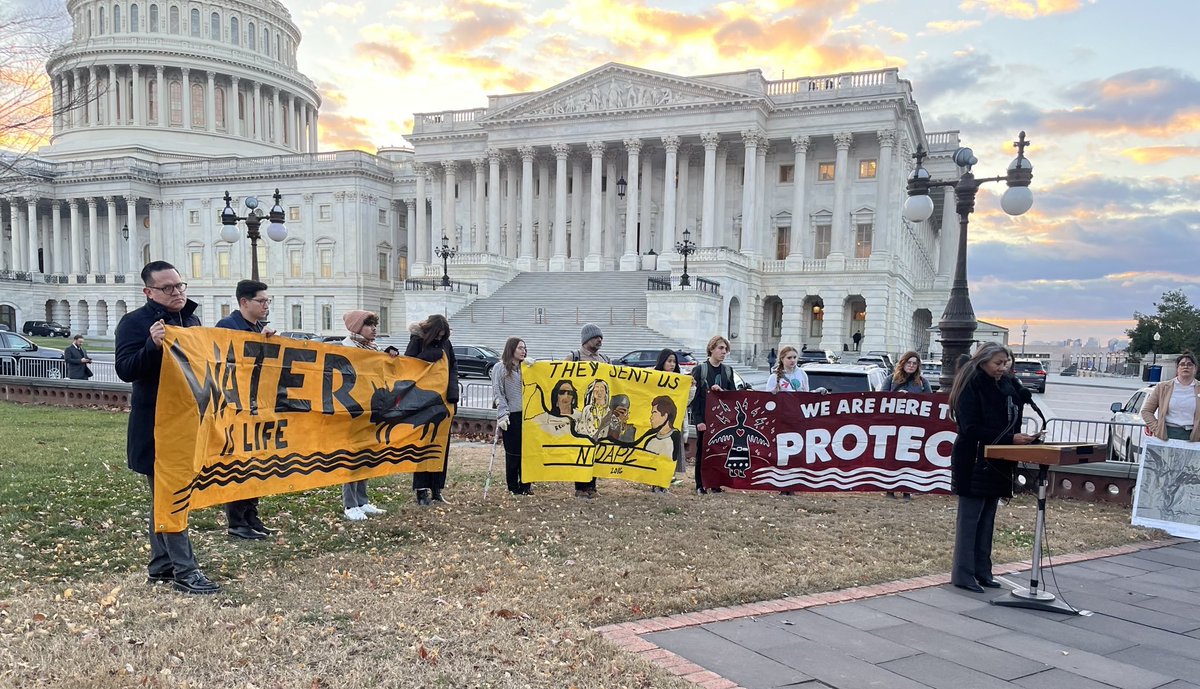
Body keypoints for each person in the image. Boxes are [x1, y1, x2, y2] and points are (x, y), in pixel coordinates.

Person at [115, 261, 218, 595]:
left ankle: (161, 566)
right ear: (149, 292)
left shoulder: (192, 320)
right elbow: (126, 370)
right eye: (168, 288)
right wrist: (152, 346)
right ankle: (185, 572)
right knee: (171, 497)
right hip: (154, 427)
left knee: (166, 498)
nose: (177, 292)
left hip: (189, 423)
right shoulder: (134, 324)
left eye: (180, 285)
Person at [947, 342, 1038, 593]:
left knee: (987, 518)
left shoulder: (1005, 386)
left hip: (998, 461)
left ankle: (982, 571)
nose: (1002, 368)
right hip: (974, 459)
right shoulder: (970, 384)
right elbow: (971, 427)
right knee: (970, 520)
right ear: (983, 361)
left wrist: (1018, 435)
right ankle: (963, 575)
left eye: (1006, 363)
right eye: (998, 363)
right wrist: (1010, 438)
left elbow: (1009, 418)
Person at [214, 279, 279, 538]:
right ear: (244, 302)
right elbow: (225, 363)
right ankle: (237, 522)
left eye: (267, 301)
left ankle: (252, 517)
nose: (266, 306)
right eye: (261, 301)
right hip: (235, 407)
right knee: (239, 464)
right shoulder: (227, 326)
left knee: (256, 463)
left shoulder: (259, 327)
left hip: (256, 406)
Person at [405, 314, 460, 506]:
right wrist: (429, 355)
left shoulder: (446, 344)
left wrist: (453, 394)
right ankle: (422, 491)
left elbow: (453, 367)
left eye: (443, 336)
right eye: (438, 335)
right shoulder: (417, 341)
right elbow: (408, 365)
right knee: (423, 446)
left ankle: (437, 489)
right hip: (423, 402)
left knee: (440, 446)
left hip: (444, 401)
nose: (439, 339)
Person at [339, 310, 388, 521]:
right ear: (357, 328)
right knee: (351, 457)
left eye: (375, 325)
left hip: (371, 409)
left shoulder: (373, 349)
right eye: (369, 325)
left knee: (365, 456)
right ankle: (350, 504)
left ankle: (362, 500)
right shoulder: (346, 349)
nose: (374, 329)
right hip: (352, 410)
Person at [884, 350, 932, 500]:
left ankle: (906, 489)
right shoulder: (891, 380)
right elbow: (881, 400)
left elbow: (931, 402)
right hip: (893, 425)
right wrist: (897, 396)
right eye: (909, 363)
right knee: (891, 457)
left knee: (909, 457)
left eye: (914, 363)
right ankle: (890, 489)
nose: (911, 366)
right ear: (903, 363)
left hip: (913, 427)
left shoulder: (923, 382)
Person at [569, 323, 610, 498]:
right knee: (582, 449)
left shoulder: (605, 360)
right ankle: (580, 487)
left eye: (600, 337)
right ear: (586, 339)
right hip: (581, 412)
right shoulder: (574, 357)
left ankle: (592, 486)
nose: (599, 340)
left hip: (600, 414)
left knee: (596, 451)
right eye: (595, 337)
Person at [689, 335, 734, 495]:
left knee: (719, 451)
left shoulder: (728, 371)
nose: (724, 352)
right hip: (704, 418)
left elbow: (733, 396)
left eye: (726, 349)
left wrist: (723, 392)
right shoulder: (700, 370)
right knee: (702, 452)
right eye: (721, 348)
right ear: (712, 349)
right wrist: (698, 420)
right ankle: (700, 484)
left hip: (721, 420)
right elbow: (694, 398)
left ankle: (715, 483)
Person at [493, 337, 532, 495]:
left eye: (524, 348)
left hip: (527, 415)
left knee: (527, 452)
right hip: (511, 415)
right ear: (511, 349)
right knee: (513, 452)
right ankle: (513, 486)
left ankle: (526, 484)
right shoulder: (500, 368)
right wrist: (502, 413)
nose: (523, 351)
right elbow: (498, 391)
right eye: (520, 348)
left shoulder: (525, 367)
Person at [1140, 352, 1200, 442]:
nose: (1185, 367)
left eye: (1190, 364)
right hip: (1167, 435)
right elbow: (1146, 411)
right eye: (1182, 364)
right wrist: (1157, 428)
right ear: (1177, 369)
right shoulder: (1162, 387)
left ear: (1195, 369)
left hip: (1193, 437)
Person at [654, 348, 689, 484]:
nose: (672, 364)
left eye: (674, 361)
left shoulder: (680, 380)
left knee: (671, 449)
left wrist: (691, 387)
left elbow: (687, 401)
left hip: (673, 422)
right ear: (662, 362)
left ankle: (669, 476)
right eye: (669, 361)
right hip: (658, 421)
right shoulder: (653, 377)